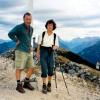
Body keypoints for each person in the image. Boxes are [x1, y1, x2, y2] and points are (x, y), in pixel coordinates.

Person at [8, 12, 35, 93]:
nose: (28, 20)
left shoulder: (31, 28)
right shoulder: (19, 27)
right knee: (19, 68)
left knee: (31, 67)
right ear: (24, 19)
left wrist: (30, 46)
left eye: (30, 19)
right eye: (27, 19)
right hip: (20, 50)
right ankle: (18, 85)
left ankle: (26, 83)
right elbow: (10, 34)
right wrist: (16, 40)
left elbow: (29, 38)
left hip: (28, 51)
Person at [36, 19, 59, 94]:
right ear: (46, 26)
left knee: (50, 69)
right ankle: (44, 85)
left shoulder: (55, 36)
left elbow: (57, 46)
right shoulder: (42, 34)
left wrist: (54, 47)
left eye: (51, 25)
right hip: (43, 52)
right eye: (49, 25)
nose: (50, 26)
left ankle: (49, 83)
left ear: (53, 26)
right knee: (44, 69)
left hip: (51, 53)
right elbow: (39, 44)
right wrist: (38, 53)